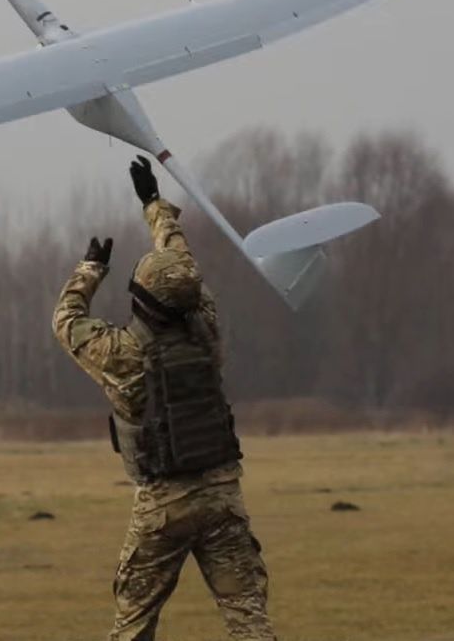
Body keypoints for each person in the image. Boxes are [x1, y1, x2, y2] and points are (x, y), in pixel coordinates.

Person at [52, 156, 277, 641]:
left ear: (140, 302)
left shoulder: (122, 353)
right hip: (222, 497)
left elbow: (66, 320)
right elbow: (182, 264)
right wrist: (155, 205)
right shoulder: (207, 330)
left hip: (163, 507)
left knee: (133, 627)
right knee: (249, 621)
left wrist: (90, 269)